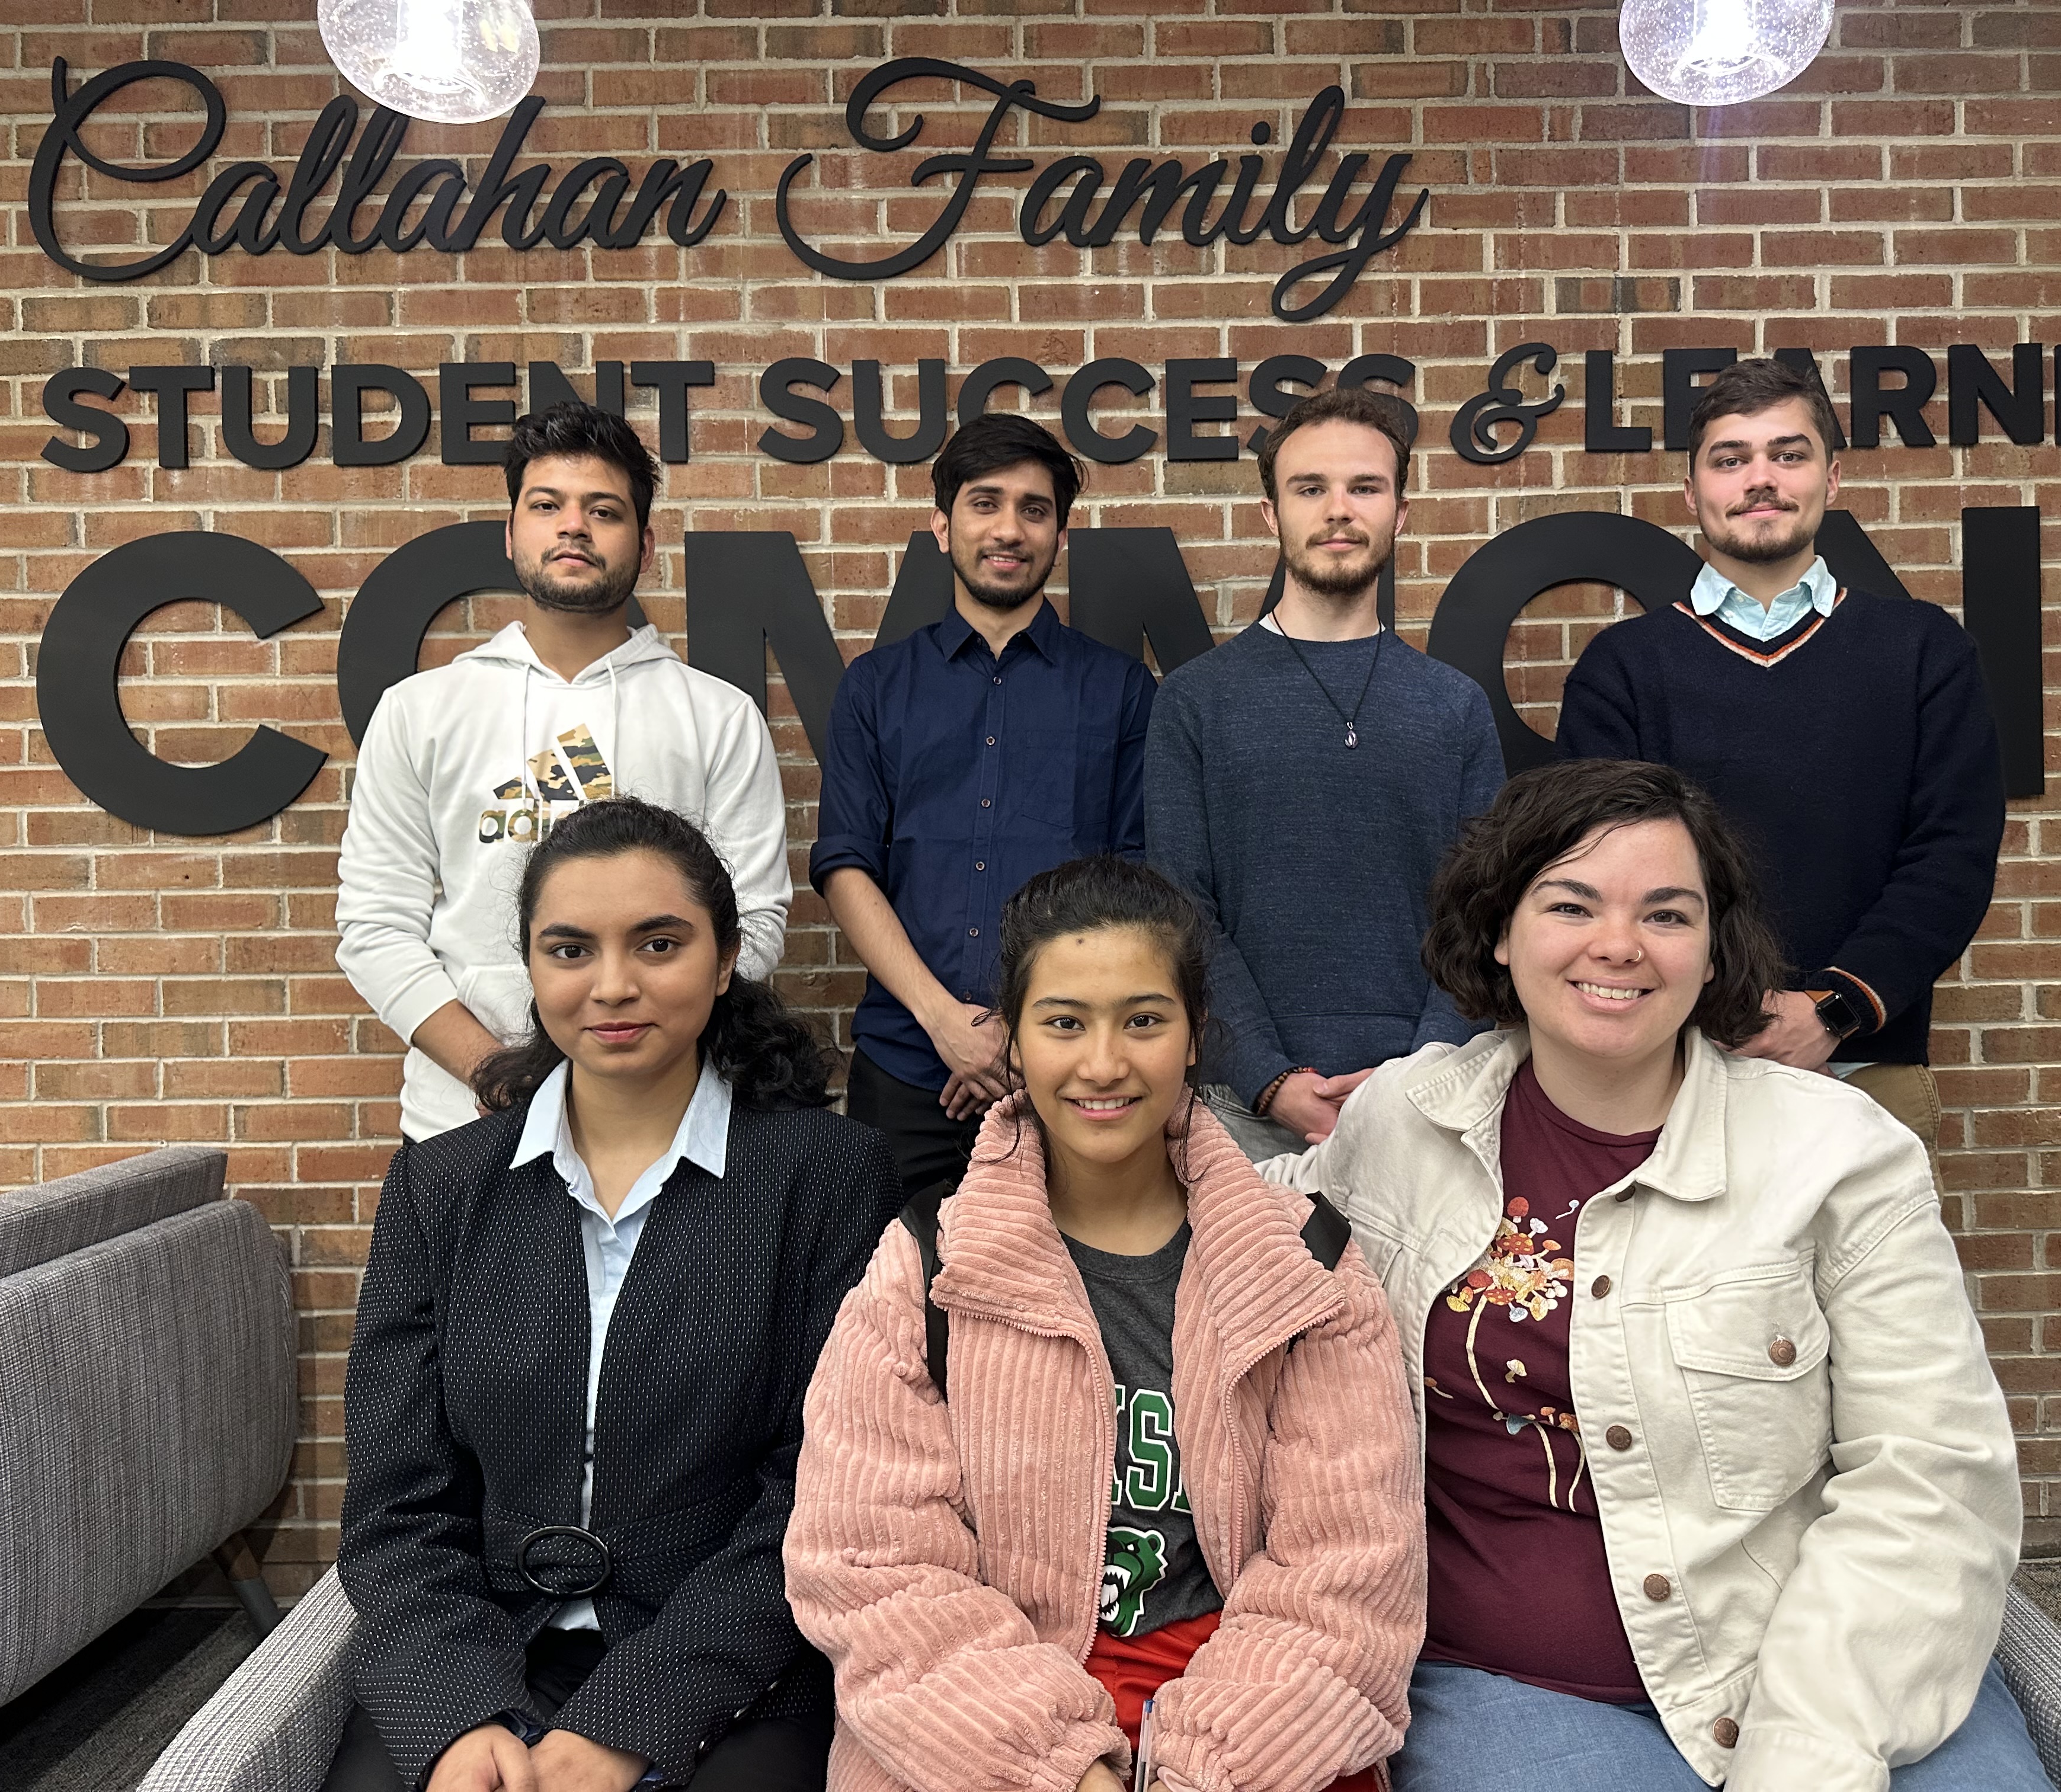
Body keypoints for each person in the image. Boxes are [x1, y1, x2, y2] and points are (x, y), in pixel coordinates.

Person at [1263, 760, 2042, 1792]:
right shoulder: (1402, 1120)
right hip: (1510, 1685)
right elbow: (1221, 1210)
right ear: (1500, 928)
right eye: (1570, 903)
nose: (1618, 944)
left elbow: (1932, 1475)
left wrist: (1808, 1746)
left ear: (1711, 943)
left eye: (1665, 913)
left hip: (1816, 1664)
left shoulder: (1837, 1152)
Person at [784, 857, 1425, 1792]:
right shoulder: (927, 1267)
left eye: (1144, 1020)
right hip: (989, 1709)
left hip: (1250, 1707)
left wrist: (1200, 1771)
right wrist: (1065, 1769)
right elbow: (869, 1565)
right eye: (1064, 1022)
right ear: (1015, 1037)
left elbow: (1350, 1573)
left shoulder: (1309, 1268)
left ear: (1196, 1035)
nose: (1103, 1063)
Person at [334, 798, 901, 1792]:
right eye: (569, 948)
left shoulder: (829, 1176)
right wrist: (462, 1715)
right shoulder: (441, 1187)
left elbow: (821, 1497)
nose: (612, 984)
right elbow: (396, 1508)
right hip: (484, 1651)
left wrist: (633, 1716)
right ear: (530, 964)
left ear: (725, 960)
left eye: (657, 942)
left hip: (732, 1658)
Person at [1554, 356, 2004, 1162]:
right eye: (1731, 459)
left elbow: (1952, 859)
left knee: (1876, 1294)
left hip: (1867, 1065)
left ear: (1832, 477)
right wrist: (1717, 1015)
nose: (1759, 478)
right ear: (1692, 493)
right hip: (1673, 1070)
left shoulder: (1924, 651)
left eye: (1787, 455)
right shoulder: (1622, 668)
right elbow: (1603, 878)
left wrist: (1832, 1009)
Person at [337, 401, 794, 1141]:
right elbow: (374, 926)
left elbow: (756, 924)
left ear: (644, 547)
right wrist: (492, 1070)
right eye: (547, 505)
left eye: (603, 510)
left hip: (668, 1125)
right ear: (512, 534)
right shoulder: (421, 710)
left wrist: (627, 1070)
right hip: (463, 1121)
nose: (573, 526)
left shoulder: (718, 716)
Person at [1145, 386, 1505, 1161]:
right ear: (1272, 514)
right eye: (1311, 488)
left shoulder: (1455, 708)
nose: (1338, 509)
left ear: (1401, 512)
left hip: (1430, 1104)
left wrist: (1416, 1077)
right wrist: (1271, 1081)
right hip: (1241, 1113)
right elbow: (1182, 911)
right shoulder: (1195, 701)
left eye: (1365, 487)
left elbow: (1485, 910)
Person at [814, 414, 1155, 1196]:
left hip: (1071, 1078)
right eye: (985, 503)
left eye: (1034, 510)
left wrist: (1028, 1045)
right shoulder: (875, 687)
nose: (1010, 529)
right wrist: (946, 1024)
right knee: (892, 1306)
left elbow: (1134, 886)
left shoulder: (1121, 692)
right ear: (942, 525)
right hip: (906, 1069)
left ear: (1060, 535)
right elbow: (844, 864)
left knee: (1067, 1313)